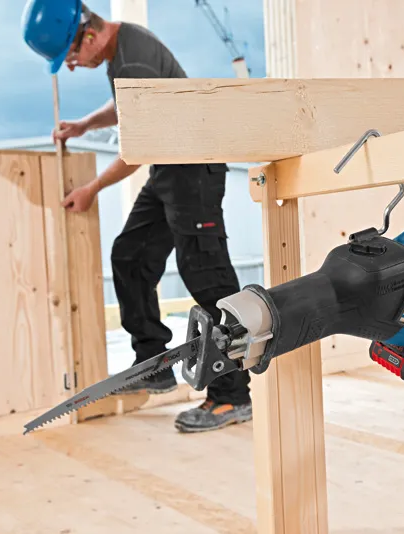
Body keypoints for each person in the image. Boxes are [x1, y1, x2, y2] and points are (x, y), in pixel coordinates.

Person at [21, 0, 252, 433]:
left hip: (193, 169)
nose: (72, 66)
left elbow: (136, 149)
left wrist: (91, 189)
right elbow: (126, 109)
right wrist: (85, 125)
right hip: (169, 167)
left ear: (89, 34)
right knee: (131, 256)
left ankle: (232, 397)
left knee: (206, 275)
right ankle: (154, 364)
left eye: (71, 56)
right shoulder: (122, 50)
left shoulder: (133, 60)